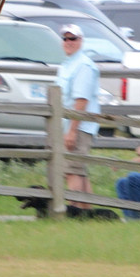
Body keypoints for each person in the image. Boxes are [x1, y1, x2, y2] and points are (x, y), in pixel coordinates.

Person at [56, 23, 100, 211]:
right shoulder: (67, 64)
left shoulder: (83, 66)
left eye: (72, 38)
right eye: (65, 38)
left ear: (81, 41)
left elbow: (81, 101)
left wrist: (72, 131)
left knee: (72, 170)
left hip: (77, 126)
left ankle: (75, 209)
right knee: (77, 170)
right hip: (67, 125)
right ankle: (87, 212)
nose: (68, 42)